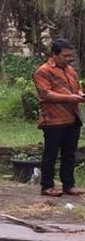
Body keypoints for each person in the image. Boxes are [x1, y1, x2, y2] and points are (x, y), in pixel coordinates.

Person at [33, 37, 84, 197]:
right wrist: (71, 98)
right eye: (65, 55)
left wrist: (80, 94)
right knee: (51, 153)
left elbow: (77, 88)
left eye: (70, 55)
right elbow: (45, 94)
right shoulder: (43, 71)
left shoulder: (71, 70)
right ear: (54, 54)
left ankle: (69, 185)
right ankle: (47, 186)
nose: (68, 59)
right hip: (53, 119)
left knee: (69, 153)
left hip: (72, 117)